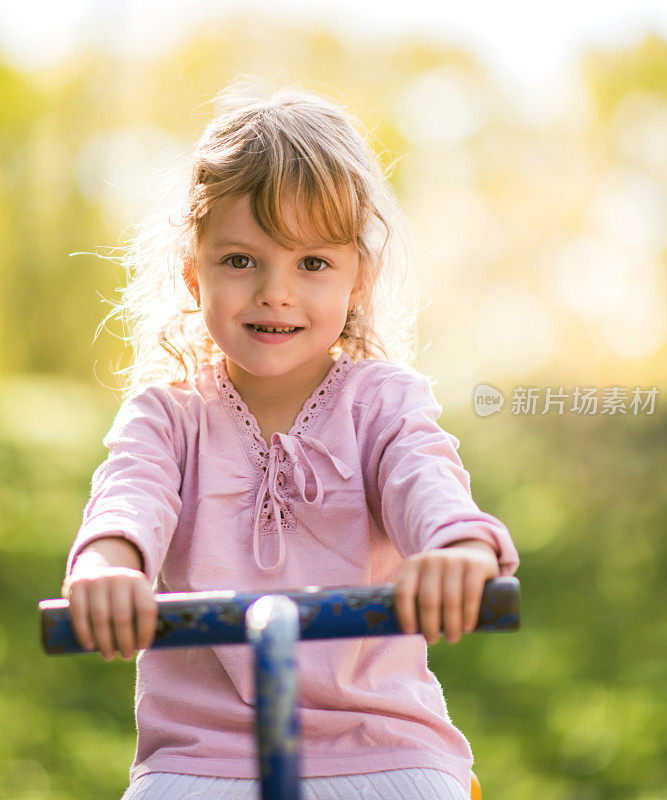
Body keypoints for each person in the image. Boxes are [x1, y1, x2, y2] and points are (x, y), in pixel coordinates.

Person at [62, 78, 519, 800]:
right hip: (203, 756)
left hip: (383, 744)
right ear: (194, 273)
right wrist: (109, 568)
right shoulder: (168, 418)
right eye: (242, 260)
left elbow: (426, 482)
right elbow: (129, 497)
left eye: (312, 263)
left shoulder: (383, 405)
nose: (276, 291)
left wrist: (457, 550)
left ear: (357, 280)